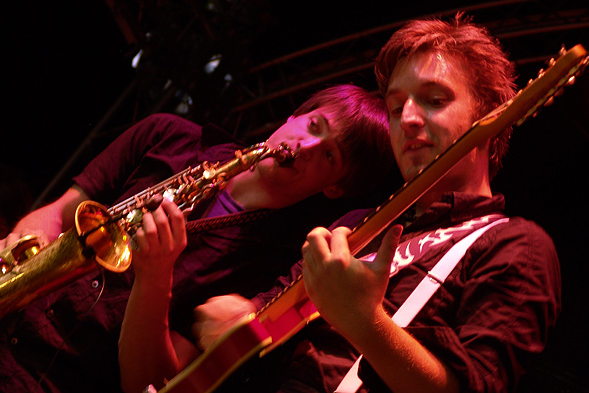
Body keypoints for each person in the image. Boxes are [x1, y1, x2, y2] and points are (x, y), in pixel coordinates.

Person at [179, 14, 561, 393]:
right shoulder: (359, 226)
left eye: (434, 100)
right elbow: (269, 310)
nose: (408, 118)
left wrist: (365, 321)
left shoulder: (516, 246)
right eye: (396, 107)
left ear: (490, 117)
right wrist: (243, 316)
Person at [0, 84, 396, 393]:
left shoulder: (276, 268)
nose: (306, 147)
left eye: (329, 156)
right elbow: (58, 212)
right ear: (293, 116)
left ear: (334, 190)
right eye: (313, 126)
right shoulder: (167, 135)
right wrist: (21, 248)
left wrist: (155, 279)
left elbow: (147, 383)